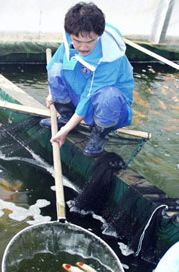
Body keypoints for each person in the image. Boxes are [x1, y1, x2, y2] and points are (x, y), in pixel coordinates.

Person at [40, 2, 134, 157]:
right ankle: (66, 116)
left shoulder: (110, 56)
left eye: (90, 42)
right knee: (56, 70)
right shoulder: (70, 39)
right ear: (71, 35)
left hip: (108, 106)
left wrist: (65, 130)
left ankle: (99, 135)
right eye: (77, 41)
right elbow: (54, 65)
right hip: (81, 92)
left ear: (99, 35)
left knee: (108, 96)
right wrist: (53, 94)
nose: (83, 47)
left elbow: (90, 95)